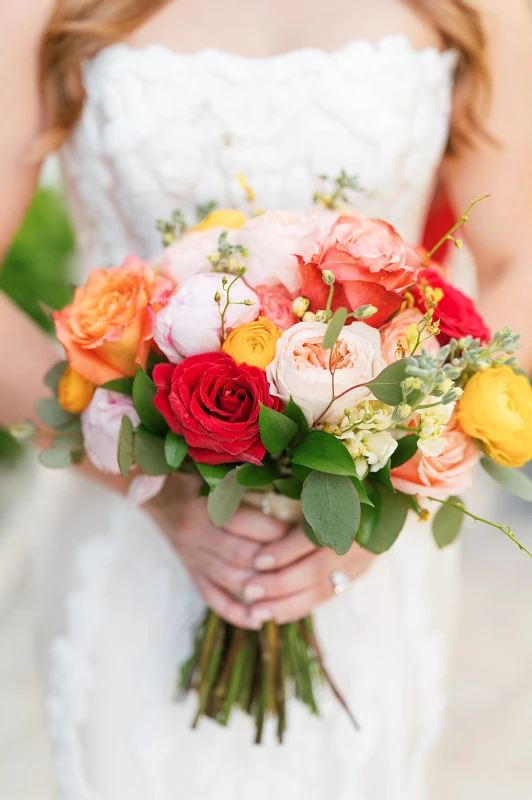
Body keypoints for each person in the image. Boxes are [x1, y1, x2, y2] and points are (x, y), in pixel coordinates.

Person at [1, 0, 532, 798]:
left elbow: (518, 258)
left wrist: (377, 501)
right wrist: (159, 493)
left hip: (365, 559)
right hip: (129, 522)